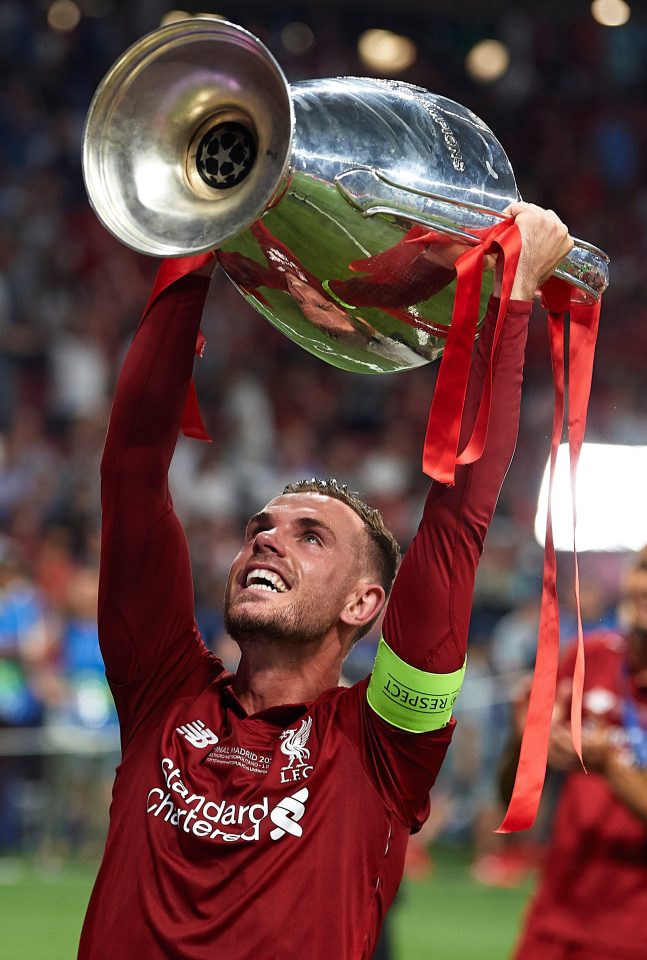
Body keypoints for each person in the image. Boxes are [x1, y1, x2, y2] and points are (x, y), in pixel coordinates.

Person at [77, 203, 572, 959]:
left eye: (310, 537)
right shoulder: (161, 693)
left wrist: (508, 306)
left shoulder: (384, 745)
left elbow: (458, 520)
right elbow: (133, 471)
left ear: (364, 602)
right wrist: (192, 252)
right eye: (260, 528)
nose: (266, 540)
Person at [507, 548, 647, 960]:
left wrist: (611, 768)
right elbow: (508, 796)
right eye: (642, 568)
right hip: (552, 925)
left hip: (633, 935)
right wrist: (525, 741)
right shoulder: (588, 658)